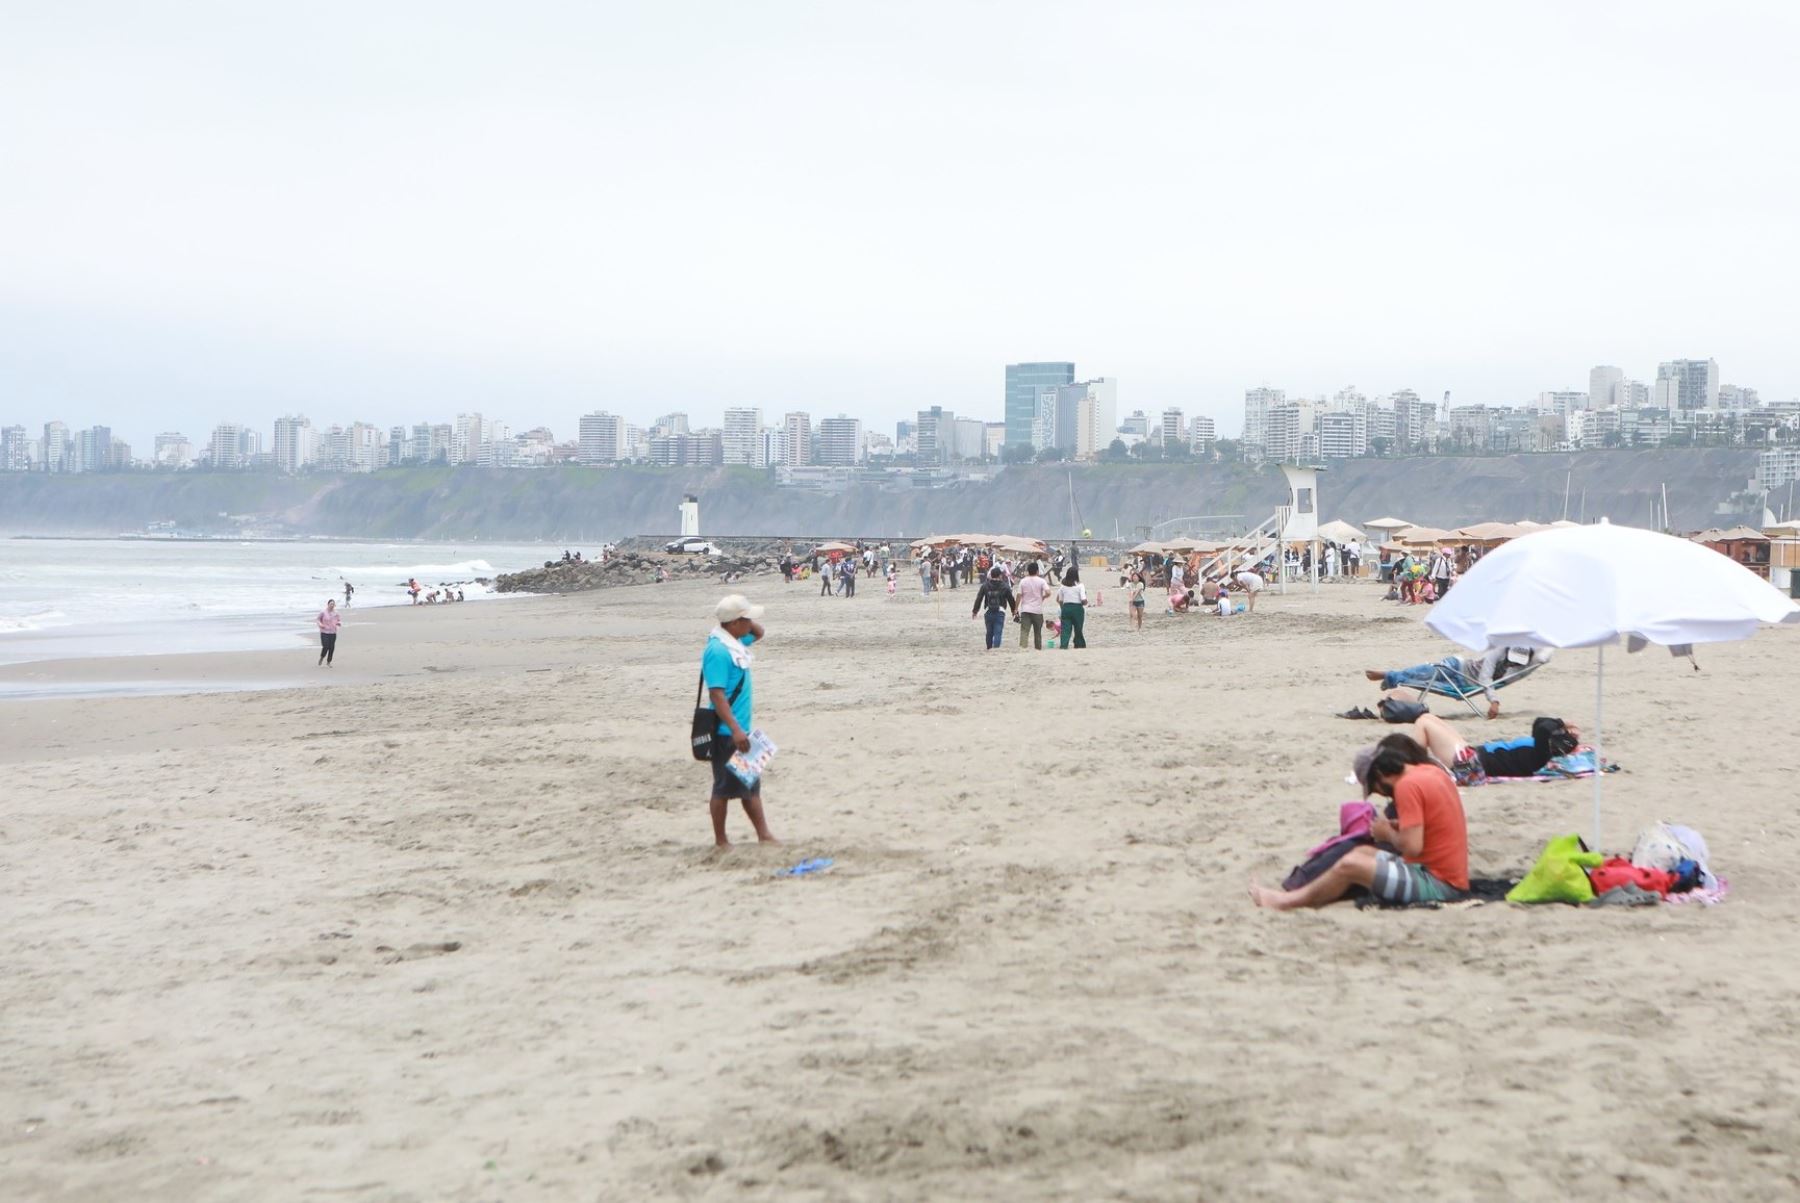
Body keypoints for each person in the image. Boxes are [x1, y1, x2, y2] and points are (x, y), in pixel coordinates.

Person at [1250, 744, 1469, 909]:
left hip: (1439, 884)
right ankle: (1316, 894)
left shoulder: (1406, 786)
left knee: (1351, 865)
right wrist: (1398, 825)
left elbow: (1412, 847)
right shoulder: (1429, 772)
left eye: (1377, 789)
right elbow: (1432, 824)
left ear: (1382, 775)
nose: (1382, 795)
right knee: (1362, 852)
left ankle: (1286, 902)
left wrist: (1387, 833)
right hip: (1448, 873)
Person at [701, 595, 778, 848]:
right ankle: (721, 841)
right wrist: (735, 730)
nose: (751, 622)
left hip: (741, 729)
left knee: (751, 784)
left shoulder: (733, 641)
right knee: (722, 788)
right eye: (746, 619)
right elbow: (716, 694)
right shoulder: (718, 650)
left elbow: (759, 632)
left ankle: (764, 835)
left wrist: (746, 617)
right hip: (727, 731)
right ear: (734, 623)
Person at [1381, 715, 1582, 787]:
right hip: (1471, 757)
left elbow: (1543, 728)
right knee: (1428, 718)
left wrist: (1562, 723)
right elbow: (1539, 723)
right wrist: (1563, 729)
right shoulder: (1540, 747)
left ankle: (1407, 767)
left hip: (1471, 767)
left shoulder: (1541, 755)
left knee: (1423, 722)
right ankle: (1410, 764)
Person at [1363, 646, 1552, 720]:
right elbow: (1486, 676)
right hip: (1458, 667)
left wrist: (1493, 700)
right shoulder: (1498, 651)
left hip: (1464, 686)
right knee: (1427, 671)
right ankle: (1390, 676)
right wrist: (1494, 701)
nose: (1512, 663)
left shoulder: (1520, 668)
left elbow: (1544, 656)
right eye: (1512, 658)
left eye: (1517, 662)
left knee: (1421, 680)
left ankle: (1391, 677)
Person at [971, 567, 1018, 650]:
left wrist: (975, 611)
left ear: (991, 575)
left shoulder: (985, 585)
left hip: (988, 610)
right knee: (998, 632)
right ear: (1000, 575)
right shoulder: (1005, 586)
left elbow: (979, 598)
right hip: (1000, 611)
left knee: (989, 632)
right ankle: (996, 649)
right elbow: (1011, 600)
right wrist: (1014, 611)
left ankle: (989, 647)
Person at [1017, 562, 1049, 649]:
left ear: (1028, 571)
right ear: (1037, 571)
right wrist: (1043, 597)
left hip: (1025, 609)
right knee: (1037, 631)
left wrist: (1015, 608)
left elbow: (1019, 595)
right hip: (1037, 610)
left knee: (1024, 630)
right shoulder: (1041, 581)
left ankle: (1023, 647)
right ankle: (1038, 648)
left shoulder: (1023, 581)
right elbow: (1048, 592)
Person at [1056, 567, 1088, 649]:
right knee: (1078, 628)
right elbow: (1083, 600)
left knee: (1065, 629)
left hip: (1066, 608)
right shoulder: (1080, 586)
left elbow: (1060, 600)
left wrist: (1063, 609)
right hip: (1077, 608)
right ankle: (1079, 644)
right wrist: (1085, 603)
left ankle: (1064, 645)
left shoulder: (1062, 586)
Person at [317, 598, 341, 667]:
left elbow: (338, 620)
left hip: (333, 632)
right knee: (326, 646)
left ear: (335, 605)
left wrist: (338, 623)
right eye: (331, 604)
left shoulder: (336, 613)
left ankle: (328, 662)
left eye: (333, 604)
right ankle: (322, 657)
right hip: (324, 632)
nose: (332, 605)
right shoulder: (323, 612)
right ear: (328, 604)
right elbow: (318, 619)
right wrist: (321, 625)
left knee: (331, 648)